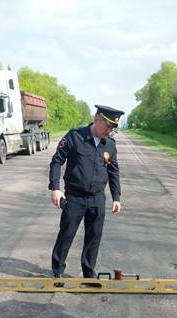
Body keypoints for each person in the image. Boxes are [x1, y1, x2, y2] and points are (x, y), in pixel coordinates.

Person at [48, 105, 124, 279]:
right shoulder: (75, 137)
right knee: (66, 235)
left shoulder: (110, 145)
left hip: (97, 199)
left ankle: (89, 273)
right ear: (97, 119)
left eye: (113, 128)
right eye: (108, 126)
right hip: (74, 198)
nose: (110, 131)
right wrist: (55, 188)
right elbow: (56, 161)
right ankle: (57, 271)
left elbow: (113, 171)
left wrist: (116, 197)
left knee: (94, 238)